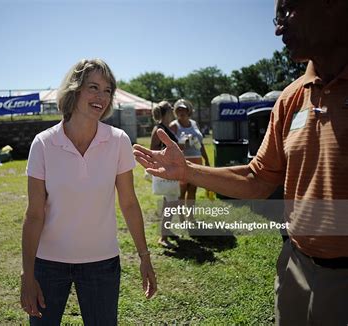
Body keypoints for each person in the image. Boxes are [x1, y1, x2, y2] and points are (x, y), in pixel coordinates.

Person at [133, 0, 348, 323]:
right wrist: (187, 170)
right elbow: (257, 179)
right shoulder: (291, 98)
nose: (278, 28)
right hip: (295, 265)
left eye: (287, 10)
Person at [21, 59, 157, 325]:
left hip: (102, 264)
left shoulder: (118, 141)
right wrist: (28, 273)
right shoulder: (44, 143)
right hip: (48, 264)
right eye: (93, 87)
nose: (101, 97)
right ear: (75, 90)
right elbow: (34, 214)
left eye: (107, 90)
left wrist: (144, 257)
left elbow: (129, 204)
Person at [150, 101, 179, 249]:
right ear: (167, 112)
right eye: (171, 108)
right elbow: (153, 149)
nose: (173, 110)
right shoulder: (159, 129)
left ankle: (166, 231)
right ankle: (163, 237)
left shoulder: (165, 127)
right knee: (171, 202)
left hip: (170, 170)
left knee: (170, 201)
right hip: (166, 171)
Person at [169, 99, 210, 204]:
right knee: (181, 192)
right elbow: (171, 146)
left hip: (197, 160)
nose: (181, 112)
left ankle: (190, 218)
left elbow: (200, 143)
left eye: (183, 109)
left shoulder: (194, 123)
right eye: (178, 110)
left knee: (193, 190)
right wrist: (183, 142)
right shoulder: (174, 125)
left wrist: (206, 160)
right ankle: (182, 219)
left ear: (189, 111)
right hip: (183, 161)